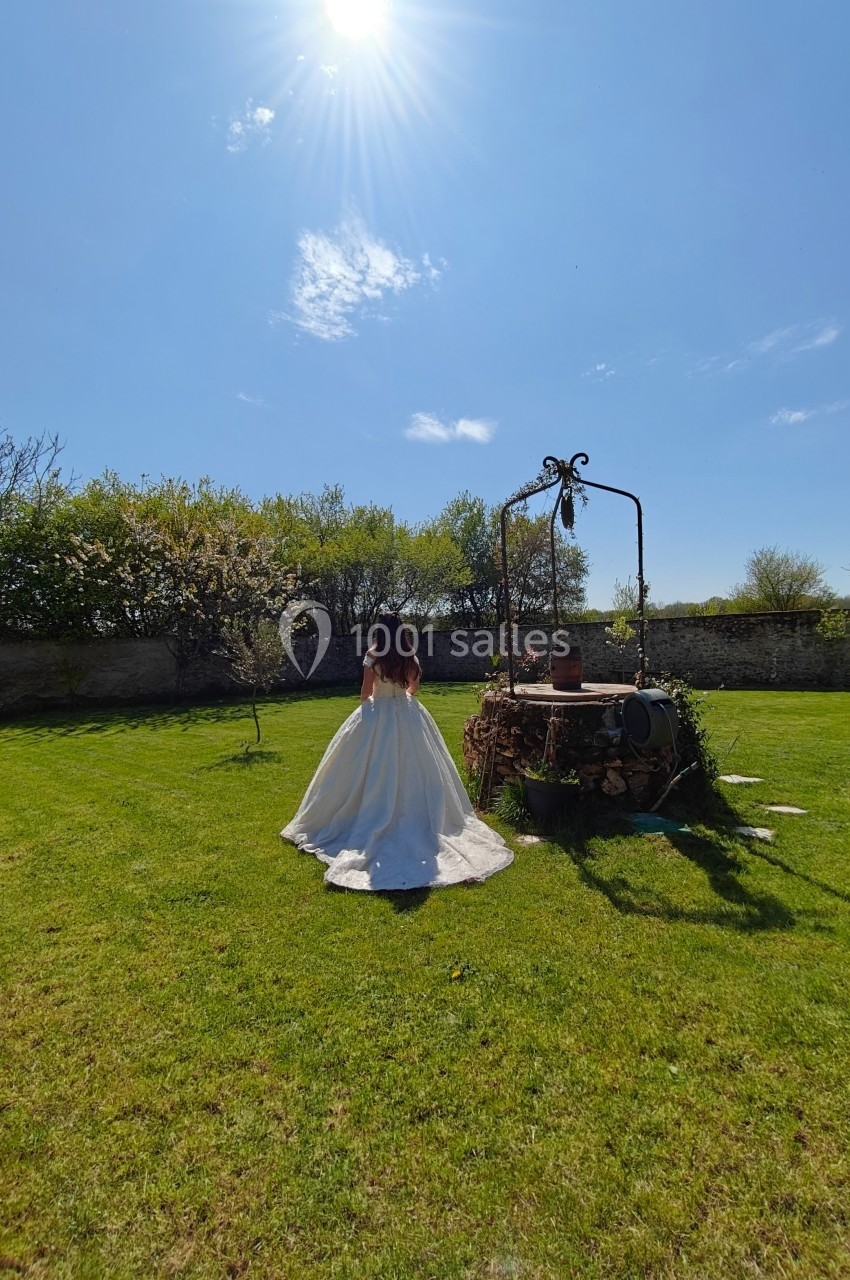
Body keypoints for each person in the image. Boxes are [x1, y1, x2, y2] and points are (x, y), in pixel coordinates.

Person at [281, 612, 513, 891]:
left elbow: (365, 692)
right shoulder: (409, 657)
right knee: (417, 766)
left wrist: (375, 705)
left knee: (364, 766)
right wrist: (401, 698)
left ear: (380, 630)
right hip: (408, 714)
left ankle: (366, 811)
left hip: (377, 712)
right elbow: (414, 689)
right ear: (402, 631)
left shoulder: (373, 656)